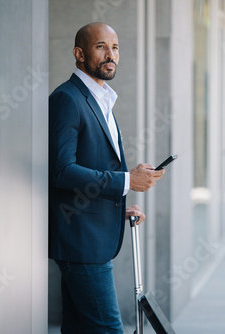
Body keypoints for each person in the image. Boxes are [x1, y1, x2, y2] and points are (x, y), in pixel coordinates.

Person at [49, 22, 165, 333]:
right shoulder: (68, 99)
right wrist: (127, 181)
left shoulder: (102, 100)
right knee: (109, 328)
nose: (110, 54)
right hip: (81, 242)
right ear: (79, 53)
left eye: (114, 48)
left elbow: (89, 166)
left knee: (78, 328)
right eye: (101, 47)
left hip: (92, 233)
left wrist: (117, 207)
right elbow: (61, 170)